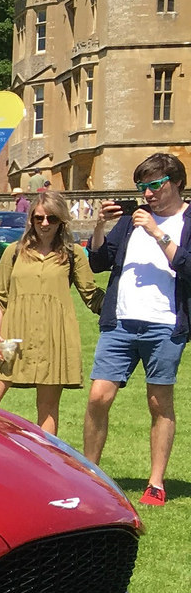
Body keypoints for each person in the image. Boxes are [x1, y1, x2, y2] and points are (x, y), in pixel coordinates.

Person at [84, 152, 190, 507]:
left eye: (155, 185)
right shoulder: (129, 223)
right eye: (142, 187)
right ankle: (89, 475)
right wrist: (99, 226)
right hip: (120, 322)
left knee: (159, 403)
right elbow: (98, 262)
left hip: (165, 326)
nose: (147, 193)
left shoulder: (184, 221)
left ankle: (156, 483)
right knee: (99, 396)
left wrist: (158, 233)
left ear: (176, 182)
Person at [0, 189, 100, 436]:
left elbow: (92, 296)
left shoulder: (73, 254)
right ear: (31, 219)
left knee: (47, 409)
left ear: (61, 221)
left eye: (52, 219)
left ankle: (45, 467)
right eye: (39, 218)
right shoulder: (14, 252)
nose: (45, 224)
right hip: (12, 338)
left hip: (54, 338)